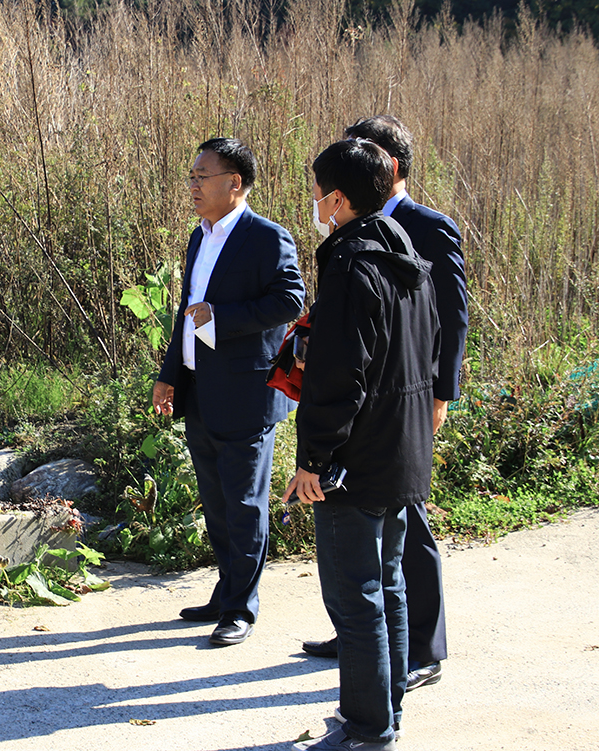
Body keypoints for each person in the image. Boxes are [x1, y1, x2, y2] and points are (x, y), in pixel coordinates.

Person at [301, 115, 467, 692]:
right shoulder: (364, 241)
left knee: (393, 552)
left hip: (396, 412)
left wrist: (440, 394)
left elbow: (448, 319)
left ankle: (417, 654)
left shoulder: (423, 230)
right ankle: (373, 660)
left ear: (387, 166)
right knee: (379, 567)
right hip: (385, 408)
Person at [284, 138, 440, 751]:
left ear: (340, 200)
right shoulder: (404, 251)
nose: (316, 202)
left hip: (354, 456)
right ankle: (387, 710)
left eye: (319, 192)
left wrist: (312, 460)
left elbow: (338, 376)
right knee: (389, 583)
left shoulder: (350, 264)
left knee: (355, 601)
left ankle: (367, 728)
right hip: (402, 446)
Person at [152, 137, 304, 646]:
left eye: (202, 176)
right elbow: (188, 310)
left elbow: (290, 299)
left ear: (234, 183)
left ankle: (242, 608)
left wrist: (224, 318)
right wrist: (170, 373)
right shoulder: (200, 237)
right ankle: (226, 591)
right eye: (191, 176)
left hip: (247, 391)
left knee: (245, 504)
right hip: (201, 389)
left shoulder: (266, 237)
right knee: (216, 501)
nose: (192, 186)